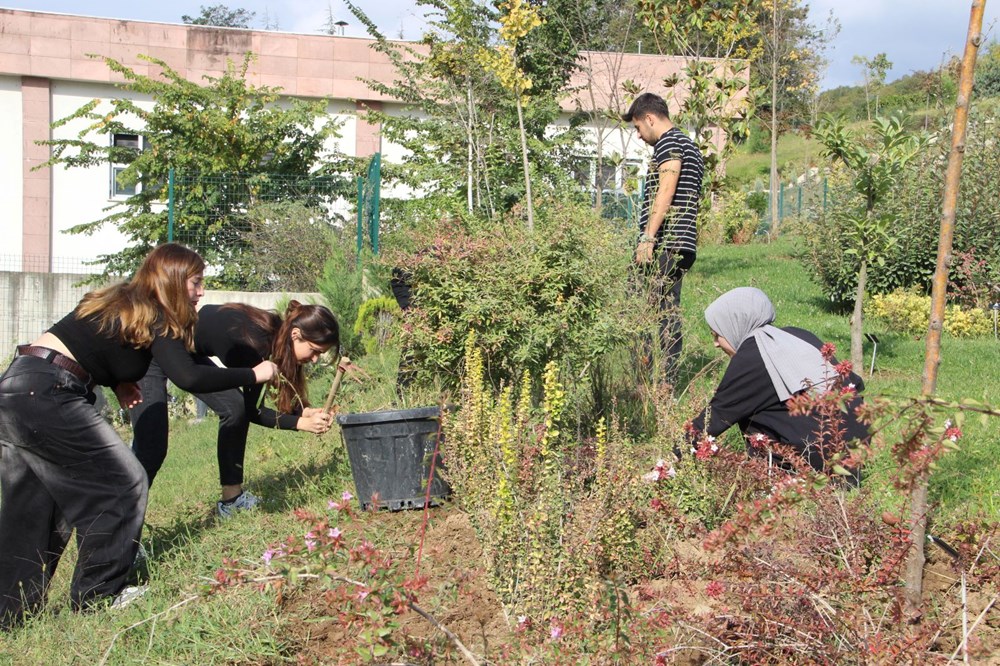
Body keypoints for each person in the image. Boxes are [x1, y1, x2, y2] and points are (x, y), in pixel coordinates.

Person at [0, 244, 277, 629]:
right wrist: (254, 374)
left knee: (34, 507)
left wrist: (117, 381)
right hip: (51, 393)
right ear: (173, 281)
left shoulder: (121, 300)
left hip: (20, 382)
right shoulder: (159, 313)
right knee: (123, 482)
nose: (201, 292)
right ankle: (99, 595)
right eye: (197, 283)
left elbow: (87, 343)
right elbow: (190, 377)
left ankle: (11, 615)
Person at [130, 301, 339, 518]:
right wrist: (302, 424)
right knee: (151, 447)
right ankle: (121, 529)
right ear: (296, 334)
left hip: (185, 351)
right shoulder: (252, 343)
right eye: (314, 351)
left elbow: (259, 399)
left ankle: (232, 500)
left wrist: (303, 411)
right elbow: (255, 411)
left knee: (234, 407)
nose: (314, 359)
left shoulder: (275, 334)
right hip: (153, 352)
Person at [687, 287, 867, 482]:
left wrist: (667, 464)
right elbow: (854, 383)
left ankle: (776, 478)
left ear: (735, 325)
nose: (715, 344)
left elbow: (715, 418)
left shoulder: (753, 356)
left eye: (717, 335)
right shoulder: (796, 335)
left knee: (749, 411)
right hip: (856, 449)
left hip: (818, 464)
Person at [622, 92, 705, 384]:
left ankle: (643, 384)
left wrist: (647, 237)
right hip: (682, 244)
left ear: (649, 118)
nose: (639, 135)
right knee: (667, 313)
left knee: (638, 309)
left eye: (637, 128)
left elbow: (666, 190)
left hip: (663, 244)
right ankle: (666, 386)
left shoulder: (669, 143)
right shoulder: (690, 146)